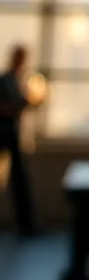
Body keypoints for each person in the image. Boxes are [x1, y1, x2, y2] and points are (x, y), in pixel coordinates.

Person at [0, 44, 37, 235]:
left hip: (13, 135)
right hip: (3, 134)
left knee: (20, 181)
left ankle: (26, 224)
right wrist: (17, 105)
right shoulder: (5, 80)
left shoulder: (18, 81)